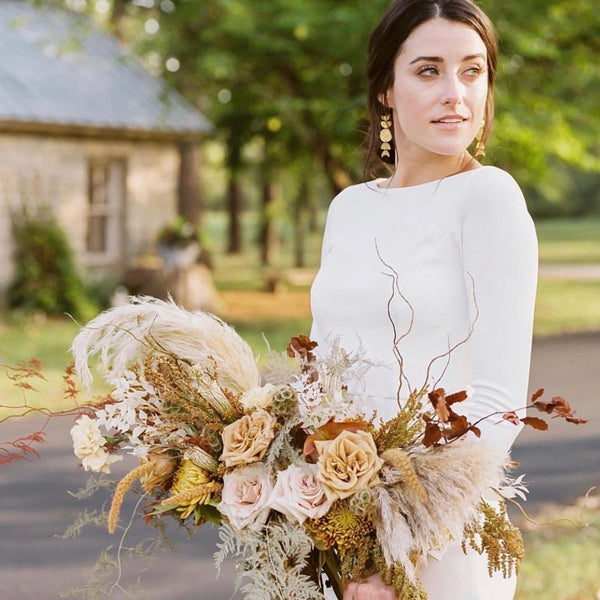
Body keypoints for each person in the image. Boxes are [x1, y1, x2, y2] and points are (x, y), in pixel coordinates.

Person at [309, 0, 538, 599]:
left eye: (472, 70)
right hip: (334, 525)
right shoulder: (350, 207)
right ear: (387, 88)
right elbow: (320, 372)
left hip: (439, 536)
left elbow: (496, 404)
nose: (454, 93)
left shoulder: (488, 198)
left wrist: (397, 549)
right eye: (428, 70)